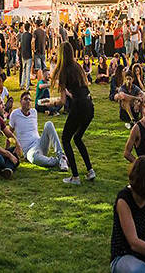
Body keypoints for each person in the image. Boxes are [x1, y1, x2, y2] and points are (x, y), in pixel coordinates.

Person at [51, 41, 95, 185]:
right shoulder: (77, 67)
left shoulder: (63, 71)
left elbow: (63, 101)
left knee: (65, 139)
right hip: (89, 105)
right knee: (77, 138)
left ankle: (75, 176)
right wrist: (72, 95)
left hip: (79, 107)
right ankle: (90, 170)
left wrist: (52, 103)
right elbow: (80, 89)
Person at [9, 91, 68, 170]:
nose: (28, 101)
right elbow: (9, 133)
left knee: (48, 124)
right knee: (33, 158)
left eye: (30, 100)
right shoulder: (15, 114)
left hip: (40, 143)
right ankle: (59, 161)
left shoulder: (34, 112)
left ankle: (61, 156)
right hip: (29, 150)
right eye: (25, 99)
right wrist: (8, 150)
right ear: (20, 101)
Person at [20, 22, 34, 90]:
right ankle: (27, 87)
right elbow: (32, 44)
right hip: (28, 54)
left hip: (23, 54)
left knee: (24, 70)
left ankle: (22, 85)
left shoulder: (22, 35)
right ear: (29, 28)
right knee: (28, 71)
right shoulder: (30, 35)